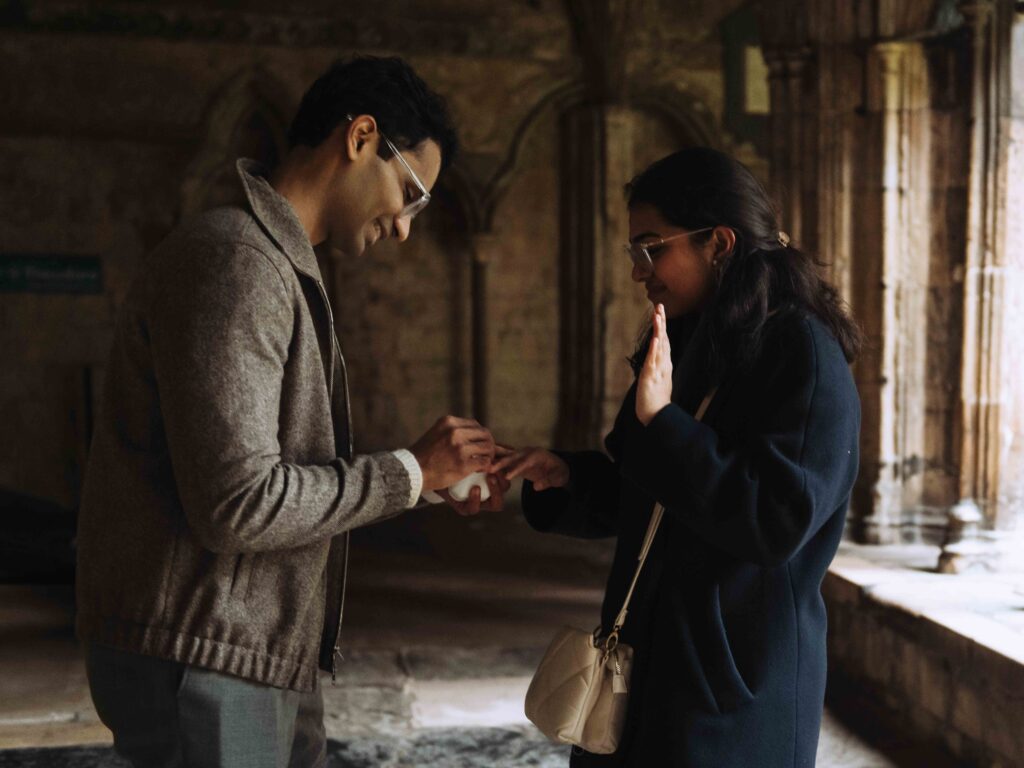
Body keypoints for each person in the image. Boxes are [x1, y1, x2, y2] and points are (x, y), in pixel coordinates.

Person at [75, 55, 505, 768]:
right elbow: (238, 503)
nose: (405, 227)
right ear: (361, 137)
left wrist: (425, 483)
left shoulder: (274, 262)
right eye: (411, 193)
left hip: (248, 648)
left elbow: (274, 482)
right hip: (203, 655)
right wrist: (407, 472)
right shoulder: (237, 261)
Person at [493, 147, 862, 767]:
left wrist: (663, 422)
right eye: (635, 252)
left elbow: (775, 522)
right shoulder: (691, 334)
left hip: (731, 689)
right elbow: (646, 490)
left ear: (719, 242)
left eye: (652, 247)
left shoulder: (803, 354)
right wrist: (564, 477)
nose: (640, 271)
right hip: (640, 663)